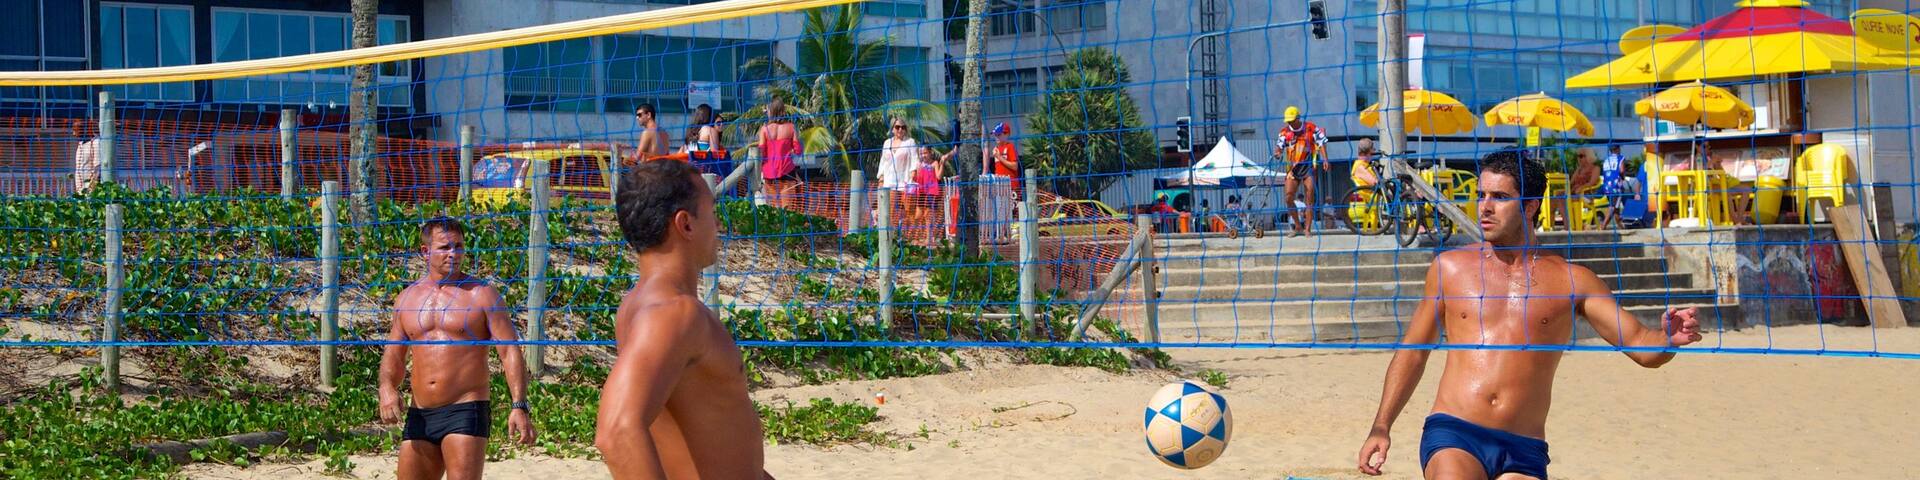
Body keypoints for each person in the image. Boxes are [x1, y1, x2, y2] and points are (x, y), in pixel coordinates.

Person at [1354, 149, 1703, 480]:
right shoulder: (1450, 268)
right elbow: (1414, 351)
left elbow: (1642, 346)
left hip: (1524, 445)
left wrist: (1669, 339)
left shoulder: (1571, 280)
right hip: (1455, 431)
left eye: (1500, 197)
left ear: (1531, 206)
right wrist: (1381, 425)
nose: (1485, 207)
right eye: (1481, 194)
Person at [595, 159, 773, 479]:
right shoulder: (675, 314)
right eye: (712, 213)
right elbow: (616, 431)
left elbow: (699, 430)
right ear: (686, 224)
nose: (718, 226)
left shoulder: (637, 307)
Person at [379, 218, 537, 480]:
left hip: (465, 409)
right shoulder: (407, 298)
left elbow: (510, 352)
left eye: (459, 246)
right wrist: (387, 388)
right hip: (420, 412)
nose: (454, 253)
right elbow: (394, 353)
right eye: (444, 247)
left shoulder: (482, 294)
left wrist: (519, 405)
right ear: (425, 251)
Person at [1275, 106, 1328, 237]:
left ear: (1298, 118)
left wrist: (1326, 159)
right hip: (1292, 169)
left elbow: (1322, 142)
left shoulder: (1310, 128)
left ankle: (1308, 229)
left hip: (1308, 167)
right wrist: (1277, 152)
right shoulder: (1284, 132)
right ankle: (1297, 226)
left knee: (1310, 196)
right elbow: (1279, 146)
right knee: (1288, 197)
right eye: (1287, 121)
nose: (1289, 123)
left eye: (1291, 120)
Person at [756, 97, 802, 207]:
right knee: (787, 209)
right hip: (787, 170)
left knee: (773, 210)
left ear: (771, 111)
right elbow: (798, 150)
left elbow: (761, 152)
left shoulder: (765, 129)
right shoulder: (791, 127)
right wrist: (789, 150)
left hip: (769, 172)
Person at [989, 122, 1021, 196]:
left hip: (1011, 186)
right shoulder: (996, 149)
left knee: (1013, 207)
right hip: (1000, 186)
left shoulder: (1010, 147)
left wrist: (999, 157)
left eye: (999, 135)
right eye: (995, 135)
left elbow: (1015, 166)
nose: (996, 137)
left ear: (1007, 134)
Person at [72, 120, 99, 195]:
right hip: (80, 187)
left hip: (90, 189)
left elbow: (97, 168)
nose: (74, 134)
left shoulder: (96, 143)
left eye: (76, 130)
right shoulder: (80, 144)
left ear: (85, 130)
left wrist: (90, 188)